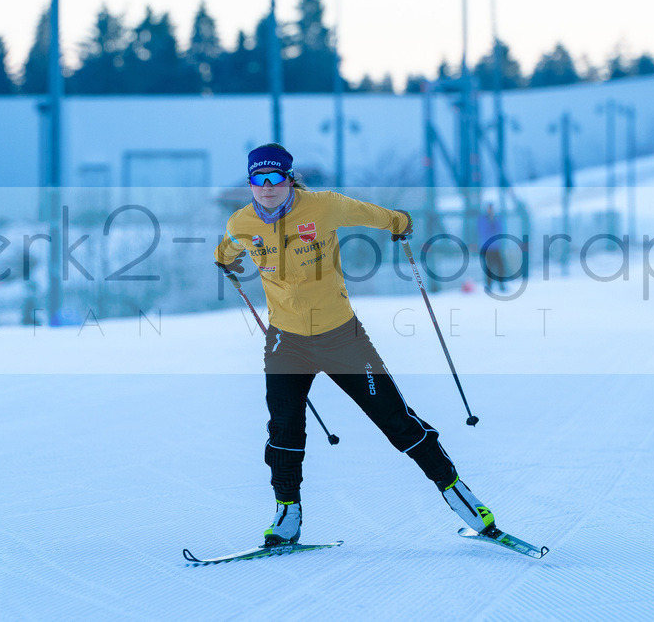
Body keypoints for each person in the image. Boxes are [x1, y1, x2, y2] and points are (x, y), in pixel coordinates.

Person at [214, 143, 496, 546]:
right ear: (250, 184)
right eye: (258, 179)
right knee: (283, 428)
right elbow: (226, 247)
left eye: (275, 177)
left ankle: (458, 493)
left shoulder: (324, 206)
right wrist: (224, 259)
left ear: (289, 179)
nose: (267, 187)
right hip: (286, 342)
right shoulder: (241, 222)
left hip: (341, 338)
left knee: (396, 421)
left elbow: (373, 214)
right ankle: (286, 513)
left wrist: (399, 222)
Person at [477, 204, 507, 293]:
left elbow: (500, 229)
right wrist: (490, 222)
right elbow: (483, 231)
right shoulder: (482, 219)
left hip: (496, 247)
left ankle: (501, 284)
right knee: (489, 267)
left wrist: (494, 221)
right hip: (487, 248)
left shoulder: (496, 219)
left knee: (500, 265)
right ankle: (489, 285)